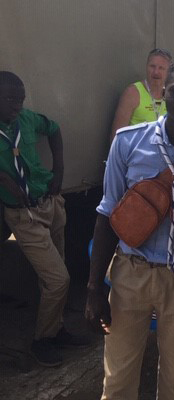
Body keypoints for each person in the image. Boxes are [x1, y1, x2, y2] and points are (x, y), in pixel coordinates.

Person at [84, 56, 174, 400]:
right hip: (131, 272)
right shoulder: (128, 143)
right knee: (118, 380)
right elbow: (106, 215)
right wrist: (93, 288)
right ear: (163, 92)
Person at [0, 71, 89, 367]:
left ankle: (57, 329)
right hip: (23, 215)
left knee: (55, 274)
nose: (17, 105)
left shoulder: (26, 119)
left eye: (21, 99)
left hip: (50, 203)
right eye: (10, 99)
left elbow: (54, 129)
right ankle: (41, 342)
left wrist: (59, 170)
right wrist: (4, 179)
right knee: (58, 280)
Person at [109, 48, 172, 141]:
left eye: (161, 68)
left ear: (168, 72)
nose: (156, 72)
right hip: (135, 149)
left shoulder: (171, 96)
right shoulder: (133, 93)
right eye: (152, 66)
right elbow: (116, 136)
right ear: (146, 67)